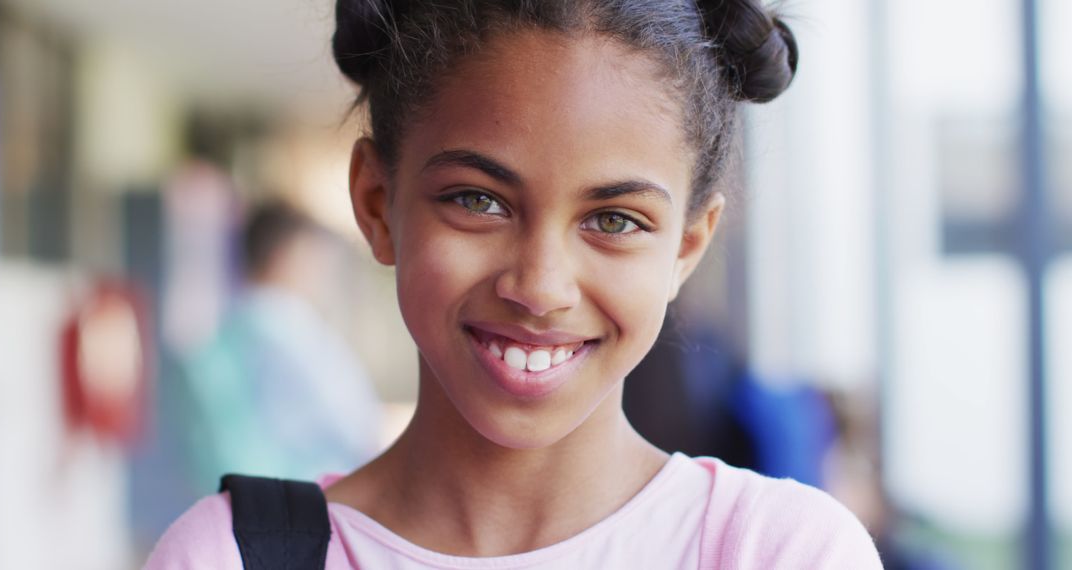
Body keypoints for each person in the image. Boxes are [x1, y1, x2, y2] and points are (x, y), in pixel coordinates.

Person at [147, 1, 884, 567]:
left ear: (687, 246)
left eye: (616, 220)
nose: (540, 285)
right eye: (478, 200)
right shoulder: (230, 557)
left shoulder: (778, 551)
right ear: (377, 203)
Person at [177, 201, 380, 491]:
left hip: (239, 503)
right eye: (315, 258)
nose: (322, 273)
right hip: (307, 503)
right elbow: (353, 426)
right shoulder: (289, 329)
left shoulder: (226, 332)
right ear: (288, 255)